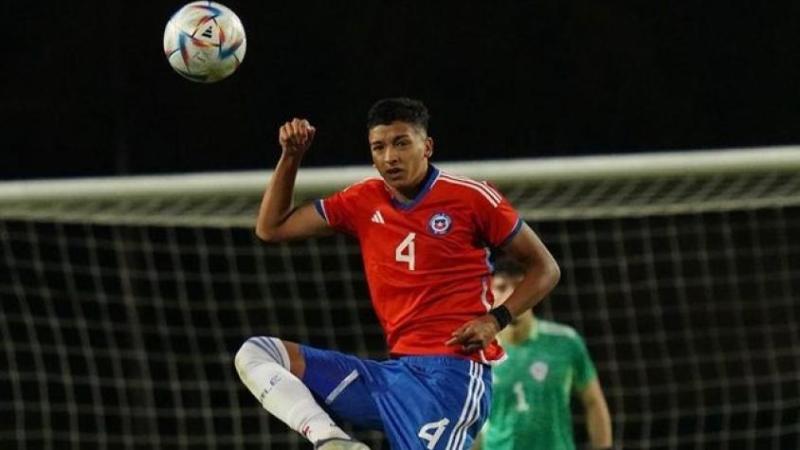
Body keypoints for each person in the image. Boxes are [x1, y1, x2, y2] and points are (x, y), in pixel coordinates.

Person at [234, 98, 561, 450]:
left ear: (427, 147)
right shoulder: (363, 200)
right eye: (379, 147)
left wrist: (495, 320)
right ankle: (331, 441)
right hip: (391, 379)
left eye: (401, 143)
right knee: (257, 353)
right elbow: (271, 227)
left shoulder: (471, 198)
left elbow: (545, 268)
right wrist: (291, 156)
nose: (390, 157)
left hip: (451, 377)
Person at [472, 258, 612, 450]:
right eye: (502, 287)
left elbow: (593, 402)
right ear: (489, 294)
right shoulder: (477, 352)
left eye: (520, 286)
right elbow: (472, 423)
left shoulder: (566, 342)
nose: (512, 294)